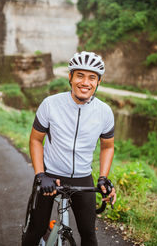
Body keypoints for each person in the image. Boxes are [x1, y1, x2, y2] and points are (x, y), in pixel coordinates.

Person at [22, 51, 116, 246]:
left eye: (92, 77)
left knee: (89, 234)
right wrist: (40, 175)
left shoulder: (105, 112)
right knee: (35, 231)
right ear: (70, 77)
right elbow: (36, 141)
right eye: (80, 75)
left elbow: (107, 147)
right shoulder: (50, 105)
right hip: (50, 176)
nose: (85, 82)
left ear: (98, 82)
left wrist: (103, 178)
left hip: (82, 177)